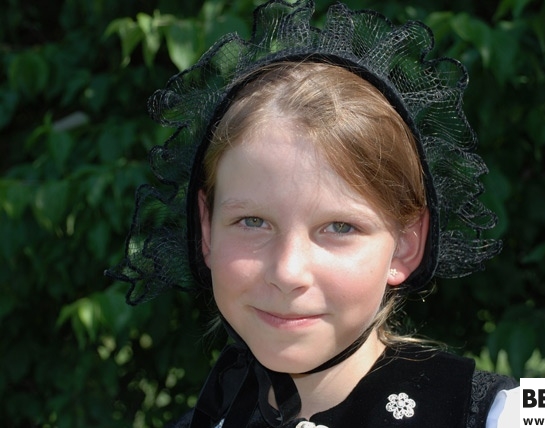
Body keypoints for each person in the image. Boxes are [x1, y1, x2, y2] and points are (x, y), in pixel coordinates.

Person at [107, 1, 519, 426]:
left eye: (339, 227)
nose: (287, 273)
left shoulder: (508, 414)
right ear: (206, 229)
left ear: (406, 245)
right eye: (253, 222)